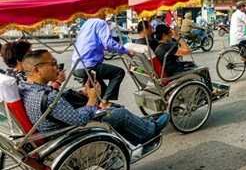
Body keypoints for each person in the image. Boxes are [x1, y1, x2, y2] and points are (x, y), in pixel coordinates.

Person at [19, 49, 170, 147]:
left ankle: (138, 137)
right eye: (53, 63)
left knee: (110, 112)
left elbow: (54, 100)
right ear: (36, 70)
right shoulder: (48, 96)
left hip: (55, 127)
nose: (58, 67)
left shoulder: (25, 88)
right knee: (119, 113)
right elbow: (80, 120)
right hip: (68, 133)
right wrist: (91, 99)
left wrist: (84, 94)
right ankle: (150, 130)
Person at [71, 15, 136, 109]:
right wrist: (127, 51)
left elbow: (99, 43)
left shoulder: (87, 23)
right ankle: (104, 103)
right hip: (89, 65)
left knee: (103, 91)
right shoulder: (101, 23)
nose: (106, 15)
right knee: (118, 72)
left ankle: (103, 105)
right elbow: (108, 43)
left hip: (77, 66)